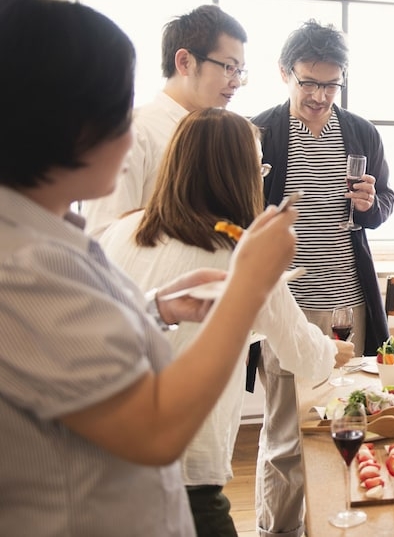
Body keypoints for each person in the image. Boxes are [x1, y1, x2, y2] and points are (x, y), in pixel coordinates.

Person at [0, 0, 297, 536]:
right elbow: (157, 429)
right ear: (60, 121)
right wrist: (248, 284)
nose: (130, 128)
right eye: (116, 108)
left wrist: (154, 306)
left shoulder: (44, 237)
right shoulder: (21, 264)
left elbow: (69, 337)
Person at [100, 108, 354, 537]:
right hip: (185, 467)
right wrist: (335, 350)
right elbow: (306, 357)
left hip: (107, 457)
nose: (262, 177)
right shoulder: (241, 251)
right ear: (240, 174)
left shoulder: (122, 230)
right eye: (259, 167)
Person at [251, 19, 394, 537]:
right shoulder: (259, 132)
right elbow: (239, 216)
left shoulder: (360, 132)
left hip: (349, 302)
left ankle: (342, 525)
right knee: (287, 434)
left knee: (350, 421)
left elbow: (383, 204)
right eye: (308, 82)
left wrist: (369, 202)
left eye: (330, 84)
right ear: (285, 74)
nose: (319, 95)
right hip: (284, 307)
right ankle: (278, 531)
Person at [82, 4, 248, 237]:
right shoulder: (135, 132)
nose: (236, 82)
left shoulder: (219, 136)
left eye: (240, 71)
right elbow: (103, 235)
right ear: (184, 62)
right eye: (229, 67)